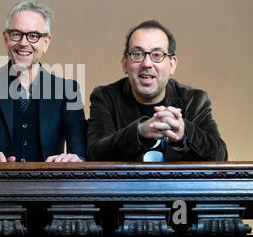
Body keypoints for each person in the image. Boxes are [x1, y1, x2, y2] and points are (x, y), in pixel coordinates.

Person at [88, 20, 227, 162]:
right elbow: (94, 155)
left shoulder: (194, 100)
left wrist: (184, 132)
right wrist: (139, 132)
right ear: (125, 64)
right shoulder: (105, 98)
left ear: (172, 65)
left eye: (157, 55)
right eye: (137, 54)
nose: (147, 64)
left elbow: (220, 156)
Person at [0, 0, 86, 162]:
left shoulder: (67, 90)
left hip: (49, 185)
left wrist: (75, 158)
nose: (23, 43)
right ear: (5, 38)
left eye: (33, 36)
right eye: (16, 34)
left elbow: (78, 143)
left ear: (46, 42)